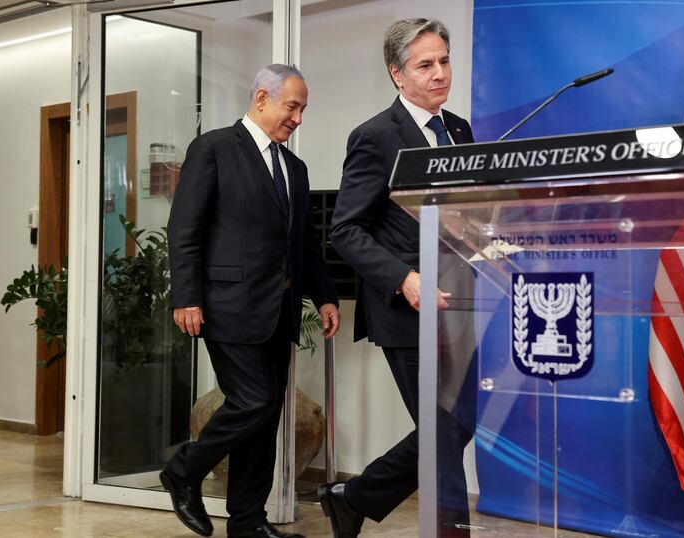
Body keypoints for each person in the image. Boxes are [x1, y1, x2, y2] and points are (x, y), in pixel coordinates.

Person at [162, 63, 340, 538]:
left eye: (303, 109)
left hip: (278, 311)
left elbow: (304, 241)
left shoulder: (294, 168)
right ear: (262, 98)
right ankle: (183, 469)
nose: (298, 118)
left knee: (264, 419)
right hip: (225, 305)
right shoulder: (215, 148)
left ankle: (246, 522)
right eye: (292, 106)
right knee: (254, 401)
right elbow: (184, 229)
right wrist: (187, 296)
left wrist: (323, 295)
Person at [320, 18, 475, 538]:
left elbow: (461, 217)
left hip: (460, 305)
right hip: (407, 308)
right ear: (397, 74)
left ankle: (353, 495)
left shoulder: (459, 131)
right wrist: (404, 277)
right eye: (424, 65)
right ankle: (451, 532)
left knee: (456, 425)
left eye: (444, 61)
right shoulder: (374, 137)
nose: (438, 74)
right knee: (441, 429)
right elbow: (345, 228)